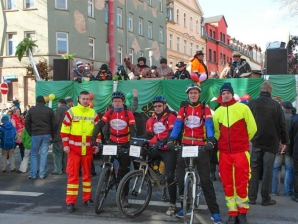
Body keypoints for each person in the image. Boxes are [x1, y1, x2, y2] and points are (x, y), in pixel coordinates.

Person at [167, 83, 223, 224]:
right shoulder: (183, 110)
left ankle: (215, 212)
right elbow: (178, 126)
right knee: (180, 178)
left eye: (195, 93)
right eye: (191, 93)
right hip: (186, 146)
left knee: (206, 181)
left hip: (201, 146)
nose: (193, 95)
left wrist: (210, 140)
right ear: (188, 95)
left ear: (199, 94)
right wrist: (172, 139)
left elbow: (209, 125)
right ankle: (184, 207)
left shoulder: (205, 109)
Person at [213, 82, 257, 224]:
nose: (225, 95)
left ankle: (242, 213)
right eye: (223, 93)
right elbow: (216, 132)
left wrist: (242, 141)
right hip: (224, 153)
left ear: (232, 94)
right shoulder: (218, 111)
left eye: (228, 93)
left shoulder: (243, 108)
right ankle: (232, 213)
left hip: (240, 152)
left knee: (242, 182)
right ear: (221, 96)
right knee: (227, 183)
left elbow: (252, 128)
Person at [92, 91, 136, 207]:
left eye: (119, 101)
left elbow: (133, 129)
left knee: (124, 171)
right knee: (106, 163)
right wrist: (93, 137)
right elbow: (100, 125)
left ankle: (124, 196)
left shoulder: (128, 113)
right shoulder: (109, 112)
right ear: (112, 102)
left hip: (124, 143)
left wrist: (131, 142)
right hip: (112, 142)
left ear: (123, 102)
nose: (117, 103)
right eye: (115, 101)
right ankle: (106, 178)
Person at [248, 81, 289, 206]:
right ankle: (265, 199)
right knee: (268, 170)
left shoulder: (252, 103)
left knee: (254, 169)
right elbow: (283, 124)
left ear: (260, 89)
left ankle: (252, 198)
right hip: (271, 142)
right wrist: (284, 141)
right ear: (270, 90)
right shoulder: (276, 105)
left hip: (255, 141)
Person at [60, 91, 101, 213]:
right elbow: (64, 130)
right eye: (83, 98)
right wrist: (65, 145)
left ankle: (87, 199)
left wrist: (97, 145)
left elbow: (97, 131)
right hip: (73, 150)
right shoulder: (71, 112)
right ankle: (70, 201)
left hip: (88, 150)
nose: (85, 101)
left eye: (87, 99)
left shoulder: (93, 113)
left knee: (87, 176)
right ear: (79, 99)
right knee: (73, 176)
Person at [140, 95, 177, 216]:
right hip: (157, 147)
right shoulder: (151, 120)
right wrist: (138, 140)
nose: (157, 108)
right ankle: (155, 175)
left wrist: (163, 142)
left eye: (159, 105)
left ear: (165, 106)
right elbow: (149, 134)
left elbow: (172, 132)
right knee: (143, 157)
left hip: (168, 149)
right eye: (155, 106)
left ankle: (172, 204)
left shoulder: (171, 117)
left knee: (170, 177)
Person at [25, 96, 55, 180]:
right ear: (44, 102)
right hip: (46, 134)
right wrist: (52, 134)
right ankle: (42, 174)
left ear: (37, 101)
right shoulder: (49, 110)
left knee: (34, 154)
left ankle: (33, 174)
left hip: (35, 134)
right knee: (43, 154)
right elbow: (53, 124)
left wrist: (30, 132)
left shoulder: (31, 110)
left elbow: (26, 122)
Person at [271, 102, 294, 196]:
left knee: (276, 168)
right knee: (289, 169)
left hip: (278, 147)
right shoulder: (294, 118)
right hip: (289, 148)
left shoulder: (278, 118)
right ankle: (288, 191)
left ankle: (274, 191)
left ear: (282, 107)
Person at [52, 99, 69, 175]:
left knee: (57, 153)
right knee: (66, 154)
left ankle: (58, 169)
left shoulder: (59, 110)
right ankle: (66, 169)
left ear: (60, 103)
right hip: (68, 136)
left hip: (58, 135)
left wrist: (52, 133)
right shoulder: (71, 109)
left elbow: (55, 122)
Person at [289, 106, 298, 203]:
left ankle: (297, 194)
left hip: (296, 150)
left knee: (296, 173)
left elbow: (290, 137)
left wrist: (290, 152)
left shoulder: (294, 119)